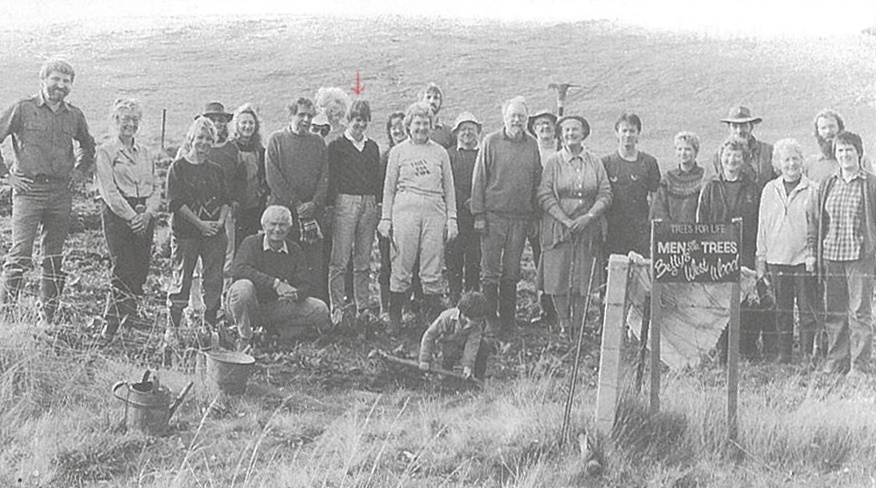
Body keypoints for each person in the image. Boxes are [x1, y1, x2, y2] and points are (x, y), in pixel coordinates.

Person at [0, 58, 96, 323]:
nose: (60, 85)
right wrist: (7, 177)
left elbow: (88, 146)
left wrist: (78, 172)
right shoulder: (23, 108)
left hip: (60, 194)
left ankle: (48, 318)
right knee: (20, 255)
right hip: (28, 191)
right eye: (56, 79)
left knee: (53, 257)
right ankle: (5, 318)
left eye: (66, 81)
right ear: (43, 80)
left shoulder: (74, 115)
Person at [378, 101, 457, 334]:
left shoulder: (440, 152)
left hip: (435, 210)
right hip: (405, 210)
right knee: (401, 263)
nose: (422, 127)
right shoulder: (398, 152)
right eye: (417, 123)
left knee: (432, 266)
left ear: (432, 126)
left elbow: (449, 189)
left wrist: (452, 219)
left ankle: (432, 322)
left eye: (426, 123)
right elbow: (389, 188)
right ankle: (395, 319)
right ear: (408, 126)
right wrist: (386, 219)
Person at [472, 96, 542, 332]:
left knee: (512, 271)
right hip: (493, 217)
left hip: (520, 219)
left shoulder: (532, 145)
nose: (517, 120)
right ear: (504, 117)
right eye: (513, 116)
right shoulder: (491, 142)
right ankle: (490, 321)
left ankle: (509, 322)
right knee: (490, 271)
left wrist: (534, 217)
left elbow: (536, 181)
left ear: (527, 120)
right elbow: (479, 180)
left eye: (521, 117)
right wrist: (479, 215)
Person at [537, 115, 612, 336]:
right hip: (559, 227)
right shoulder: (553, 162)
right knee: (557, 275)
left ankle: (579, 325)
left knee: (583, 275)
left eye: (575, 130)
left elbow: (606, 194)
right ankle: (564, 323)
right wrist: (565, 219)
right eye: (567, 130)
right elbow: (544, 194)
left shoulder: (595, 162)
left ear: (584, 133)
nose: (571, 134)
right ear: (561, 134)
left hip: (588, 228)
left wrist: (589, 216)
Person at [93, 98, 159, 340]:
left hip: (144, 214)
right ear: (115, 121)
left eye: (135, 120)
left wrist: (148, 213)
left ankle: (129, 322)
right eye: (125, 119)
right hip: (118, 214)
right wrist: (134, 217)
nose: (130, 124)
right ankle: (110, 325)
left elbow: (156, 186)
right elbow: (109, 192)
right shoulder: (105, 151)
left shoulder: (146, 153)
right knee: (122, 267)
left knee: (141, 267)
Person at [809, 131, 873, 376]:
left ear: (859, 152)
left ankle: (859, 366)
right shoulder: (829, 182)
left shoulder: (870, 184)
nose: (845, 154)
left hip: (860, 258)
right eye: (840, 150)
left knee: (859, 312)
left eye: (849, 149)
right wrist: (816, 252)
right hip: (832, 255)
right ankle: (837, 360)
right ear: (835, 155)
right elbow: (818, 219)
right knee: (834, 311)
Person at [227, 205, 330, 351]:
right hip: (249, 304)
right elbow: (239, 270)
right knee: (243, 287)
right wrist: (275, 283)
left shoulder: (294, 250)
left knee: (320, 309)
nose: (277, 229)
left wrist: (295, 294)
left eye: (282, 225)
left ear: (289, 228)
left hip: (276, 307)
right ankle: (244, 337)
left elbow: (306, 283)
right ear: (264, 226)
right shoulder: (251, 243)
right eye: (273, 224)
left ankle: (276, 334)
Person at [697, 135, 762, 361]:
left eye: (737, 156)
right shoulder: (710, 187)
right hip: (717, 253)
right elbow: (701, 223)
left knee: (745, 301)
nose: (732, 160)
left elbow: (759, 223)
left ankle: (745, 348)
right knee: (720, 303)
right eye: (728, 155)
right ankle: (722, 351)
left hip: (745, 252)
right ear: (720, 158)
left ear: (744, 160)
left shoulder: (753, 188)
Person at [756, 138, 820, 364]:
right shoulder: (769, 189)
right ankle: (784, 354)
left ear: (802, 162)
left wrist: (813, 257)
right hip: (777, 258)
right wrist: (760, 259)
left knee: (806, 309)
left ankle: (805, 355)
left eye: (795, 159)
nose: (791, 164)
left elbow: (816, 227)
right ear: (778, 164)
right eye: (786, 160)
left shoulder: (813, 190)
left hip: (804, 260)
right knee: (781, 310)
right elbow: (762, 226)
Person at [165, 117, 230, 337]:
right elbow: (176, 203)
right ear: (192, 138)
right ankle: (173, 330)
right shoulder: (178, 168)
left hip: (214, 234)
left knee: (213, 279)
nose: (204, 143)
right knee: (182, 279)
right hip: (187, 233)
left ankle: (209, 328)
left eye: (209, 139)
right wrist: (200, 224)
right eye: (200, 137)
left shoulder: (216, 170)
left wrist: (219, 223)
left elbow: (226, 200)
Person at [265, 97, 329, 303]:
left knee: (313, 263)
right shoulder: (276, 140)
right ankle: (282, 310)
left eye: (310, 116)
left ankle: (314, 311)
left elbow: (324, 176)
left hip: (311, 215)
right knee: (283, 261)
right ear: (292, 115)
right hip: (285, 213)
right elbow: (273, 177)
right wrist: (296, 204)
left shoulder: (318, 142)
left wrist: (314, 203)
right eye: (301, 115)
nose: (306, 120)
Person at [327, 99, 382, 326]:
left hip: (368, 203)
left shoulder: (372, 147)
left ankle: (363, 307)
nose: (359, 124)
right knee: (339, 259)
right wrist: (333, 205)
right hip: (345, 202)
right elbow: (332, 179)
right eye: (356, 119)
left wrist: (376, 204)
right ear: (349, 120)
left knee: (363, 259)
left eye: (364, 119)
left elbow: (376, 179)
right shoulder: (337, 146)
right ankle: (337, 309)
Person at [186, 102, 241, 315]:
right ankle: (195, 303)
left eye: (221, 120)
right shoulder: (192, 147)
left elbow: (237, 178)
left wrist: (233, 201)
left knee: (226, 256)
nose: (217, 124)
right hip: (197, 211)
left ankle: (224, 303)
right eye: (213, 119)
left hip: (223, 211)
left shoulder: (230, 148)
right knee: (195, 259)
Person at [602, 112, 660, 257]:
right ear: (616, 133)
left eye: (632, 131)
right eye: (624, 131)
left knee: (641, 273)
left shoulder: (648, 162)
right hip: (613, 229)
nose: (628, 135)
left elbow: (655, 196)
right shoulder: (606, 163)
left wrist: (650, 224)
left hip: (640, 229)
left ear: (638, 134)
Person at [445, 111, 482, 305]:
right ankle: (454, 300)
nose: (467, 133)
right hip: (455, 214)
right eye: (463, 129)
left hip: (478, 216)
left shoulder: (484, 154)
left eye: (471, 129)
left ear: (478, 132)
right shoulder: (449, 154)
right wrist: (464, 201)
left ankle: (472, 303)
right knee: (454, 260)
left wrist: (476, 202)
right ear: (456, 132)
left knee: (474, 260)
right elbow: (447, 183)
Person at [527, 109, 560, 324]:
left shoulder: (562, 151)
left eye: (548, 124)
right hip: (537, 217)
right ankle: (545, 309)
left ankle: (560, 310)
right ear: (534, 129)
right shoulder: (530, 153)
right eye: (540, 124)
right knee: (540, 260)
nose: (545, 128)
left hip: (559, 217)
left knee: (558, 261)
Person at [418, 291, 489, 380]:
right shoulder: (446, 318)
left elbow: (472, 345)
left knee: (483, 346)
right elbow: (429, 336)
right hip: (447, 345)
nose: (479, 322)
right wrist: (425, 360)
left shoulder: (477, 326)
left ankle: (478, 379)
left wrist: (467, 365)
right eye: (477, 320)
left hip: (463, 345)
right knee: (450, 349)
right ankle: (445, 374)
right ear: (467, 315)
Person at [704, 105, 775, 191]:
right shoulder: (719, 157)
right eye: (735, 126)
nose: (739, 131)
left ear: (751, 127)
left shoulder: (768, 152)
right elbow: (709, 188)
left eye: (743, 125)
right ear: (729, 128)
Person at [230, 103, 268, 247]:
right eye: (244, 122)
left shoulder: (260, 150)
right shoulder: (231, 148)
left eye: (251, 123)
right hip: (236, 204)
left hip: (254, 204)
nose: (247, 126)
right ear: (237, 125)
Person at [650, 131, 705, 223]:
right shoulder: (668, 178)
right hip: (672, 232)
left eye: (687, 149)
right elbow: (659, 208)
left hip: (697, 231)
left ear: (696, 152)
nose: (683, 153)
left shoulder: (704, 177)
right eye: (680, 149)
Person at [421, 82, 454, 149]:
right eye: (428, 97)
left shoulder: (449, 133)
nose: (432, 101)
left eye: (436, 98)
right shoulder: (414, 130)